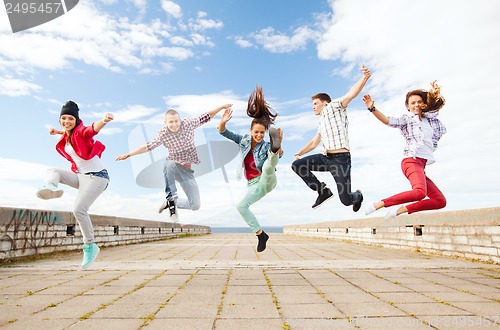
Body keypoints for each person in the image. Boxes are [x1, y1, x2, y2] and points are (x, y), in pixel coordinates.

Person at [116, 104, 232, 221]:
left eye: (176, 121)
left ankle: (172, 202)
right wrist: (129, 154)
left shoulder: (188, 124)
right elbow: (148, 147)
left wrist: (221, 107)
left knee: (195, 205)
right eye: (171, 122)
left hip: (186, 170)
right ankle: (171, 199)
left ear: (180, 120)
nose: (174, 124)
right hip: (173, 166)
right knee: (169, 162)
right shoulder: (163, 133)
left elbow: (207, 116)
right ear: (165, 123)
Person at [36, 100, 113, 269]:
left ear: (76, 120)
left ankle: (90, 246)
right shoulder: (67, 135)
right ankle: (51, 188)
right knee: (53, 170)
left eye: (70, 119)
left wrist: (104, 120)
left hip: (98, 177)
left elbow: (91, 130)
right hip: (82, 177)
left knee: (79, 210)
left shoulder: (80, 132)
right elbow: (64, 134)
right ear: (60, 120)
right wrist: (56, 131)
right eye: (63, 118)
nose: (66, 122)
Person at [362, 80, 447, 218]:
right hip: (411, 161)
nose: (416, 105)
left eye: (419, 102)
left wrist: (433, 92)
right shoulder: (407, 120)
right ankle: (378, 204)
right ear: (408, 106)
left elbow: (434, 108)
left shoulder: (430, 121)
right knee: (420, 192)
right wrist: (372, 108)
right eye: (412, 103)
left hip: (421, 164)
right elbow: (387, 120)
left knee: (440, 201)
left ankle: (401, 210)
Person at [291, 65, 371, 211]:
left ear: (325, 102)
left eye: (315, 103)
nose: (313, 107)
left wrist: (364, 78)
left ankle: (358, 196)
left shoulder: (334, 107)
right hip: (325, 158)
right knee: (297, 165)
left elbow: (351, 94)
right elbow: (314, 143)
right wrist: (299, 153)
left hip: (341, 160)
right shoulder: (321, 122)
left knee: (346, 201)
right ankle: (322, 190)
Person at [217, 86, 283, 253]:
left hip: (267, 180)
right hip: (253, 184)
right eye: (256, 132)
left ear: (265, 133)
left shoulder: (265, 144)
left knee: (269, 165)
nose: (259, 135)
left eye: (262, 133)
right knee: (240, 206)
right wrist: (223, 121)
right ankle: (261, 235)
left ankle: (275, 148)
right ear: (251, 131)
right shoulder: (244, 140)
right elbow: (224, 132)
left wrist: (278, 148)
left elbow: (280, 157)